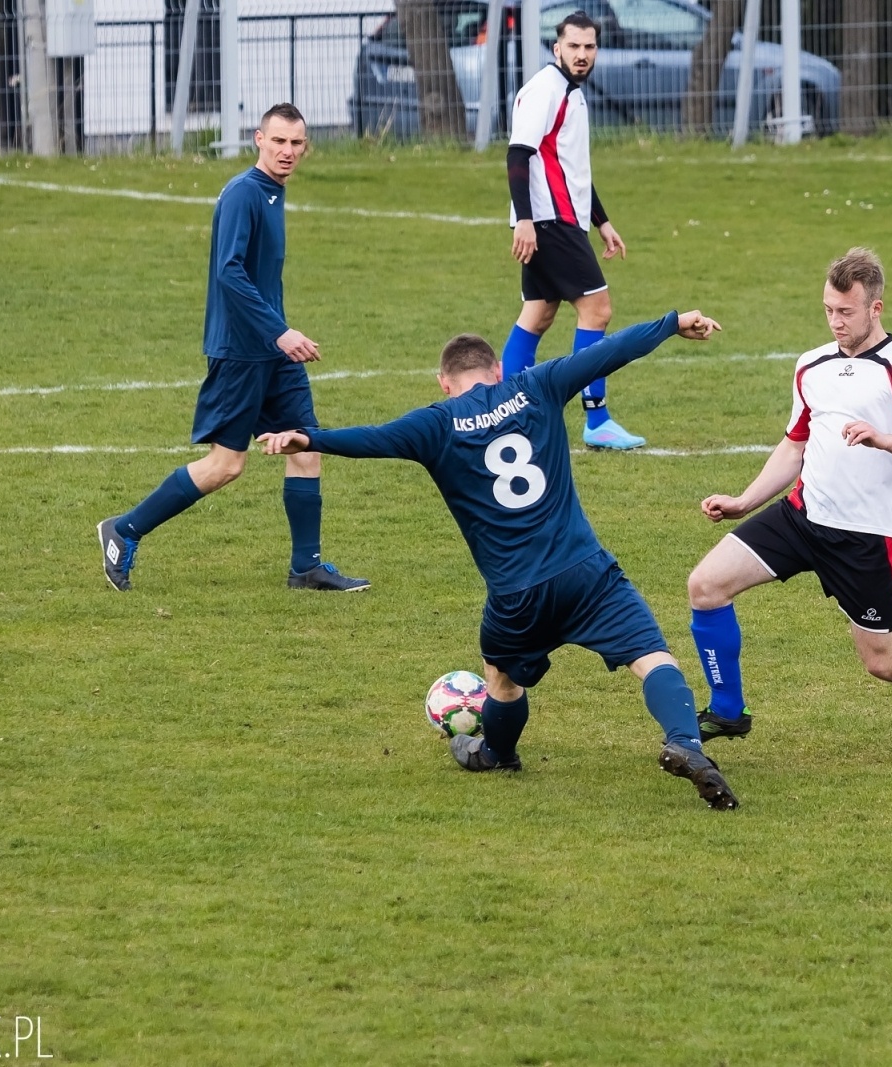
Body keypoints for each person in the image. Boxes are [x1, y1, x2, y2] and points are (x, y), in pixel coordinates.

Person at [258, 310, 739, 810]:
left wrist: (309, 438)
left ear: (444, 383)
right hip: (586, 572)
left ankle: (496, 753)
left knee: (501, 678)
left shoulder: (435, 423)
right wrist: (672, 322)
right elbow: (610, 350)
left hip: (516, 594)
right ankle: (685, 742)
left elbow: (372, 438)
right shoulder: (537, 384)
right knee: (652, 657)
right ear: (497, 371)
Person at [683, 247, 892, 761]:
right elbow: (794, 444)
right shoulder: (811, 365)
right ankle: (728, 710)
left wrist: (883, 438)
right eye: (828, 310)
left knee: (882, 661)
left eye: (846, 311)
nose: (836, 321)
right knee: (705, 586)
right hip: (801, 517)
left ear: (875, 308)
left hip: (864, 536)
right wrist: (744, 501)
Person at [97, 102, 368, 594]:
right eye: (279, 141)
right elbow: (229, 272)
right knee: (226, 465)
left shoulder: (272, 192)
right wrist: (279, 332)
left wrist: (279, 336)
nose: (288, 151)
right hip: (242, 352)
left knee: (305, 444)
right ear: (258, 139)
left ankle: (306, 567)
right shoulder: (245, 193)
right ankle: (124, 530)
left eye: (296, 143)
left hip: (274, 351)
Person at [498, 10, 645, 452]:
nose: (582, 54)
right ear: (557, 47)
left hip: (559, 220)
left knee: (538, 315)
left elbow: (572, 168)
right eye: (574, 46)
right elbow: (518, 155)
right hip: (549, 222)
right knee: (597, 311)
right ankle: (596, 419)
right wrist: (525, 220)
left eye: (589, 47)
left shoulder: (572, 92)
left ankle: (507, 414)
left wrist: (602, 221)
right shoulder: (544, 90)